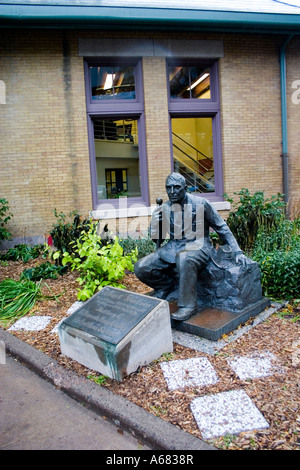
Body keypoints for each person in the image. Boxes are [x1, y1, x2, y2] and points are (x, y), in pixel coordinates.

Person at [134, 172, 247, 321]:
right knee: (141, 266)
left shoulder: (201, 204)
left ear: (185, 188)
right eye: (169, 188)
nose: (172, 191)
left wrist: (237, 251)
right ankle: (165, 287)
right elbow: (158, 239)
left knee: (185, 257)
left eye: (176, 187)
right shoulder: (165, 207)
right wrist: (155, 223)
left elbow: (221, 227)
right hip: (173, 246)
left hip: (199, 245)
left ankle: (188, 305)